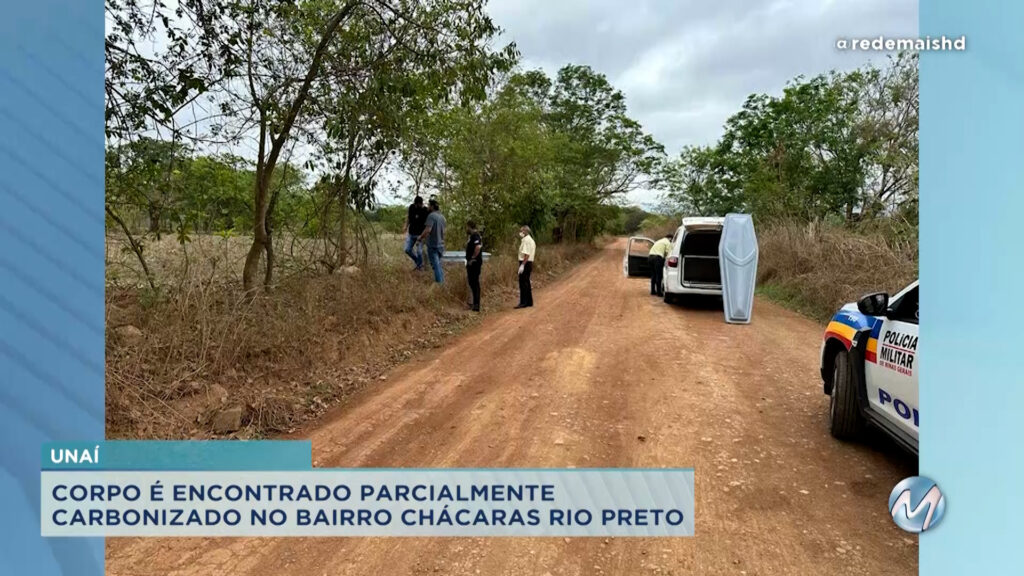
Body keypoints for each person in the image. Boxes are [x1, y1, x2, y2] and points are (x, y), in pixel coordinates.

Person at [417, 198, 447, 283]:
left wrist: (420, 237)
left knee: (435, 265)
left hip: (433, 245)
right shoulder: (442, 217)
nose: (428, 207)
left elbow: (428, 230)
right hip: (441, 245)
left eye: (429, 205)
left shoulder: (431, 216)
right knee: (438, 265)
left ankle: (440, 284)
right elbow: (444, 232)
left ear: (433, 206)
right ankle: (442, 282)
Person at [402, 196, 428, 270]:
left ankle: (420, 267)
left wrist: (425, 235)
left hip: (420, 235)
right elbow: (408, 218)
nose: (417, 206)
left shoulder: (425, 210)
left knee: (419, 251)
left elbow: (428, 224)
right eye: (416, 204)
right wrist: (406, 226)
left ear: (421, 203)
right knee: (407, 249)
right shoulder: (412, 207)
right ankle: (418, 262)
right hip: (411, 233)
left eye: (418, 204)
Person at [514, 225, 536, 309]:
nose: (520, 233)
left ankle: (523, 302)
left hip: (525, 262)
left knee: (523, 282)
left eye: (522, 231)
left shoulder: (526, 241)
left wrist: (522, 265)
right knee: (527, 282)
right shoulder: (531, 240)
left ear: (525, 231)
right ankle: (529, 301)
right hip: (529, 262)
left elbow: (526, 254)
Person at [465, 220, 483, 312]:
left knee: (474, 283)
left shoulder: (475, 235)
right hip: (472, 263)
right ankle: (474, 303)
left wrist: (472, 258)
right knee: (472, 282)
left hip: (474, 263)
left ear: (470, 226)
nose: (466, 229)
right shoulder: (472, 236)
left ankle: (476, 305)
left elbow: (478, 247)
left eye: (467, 227)